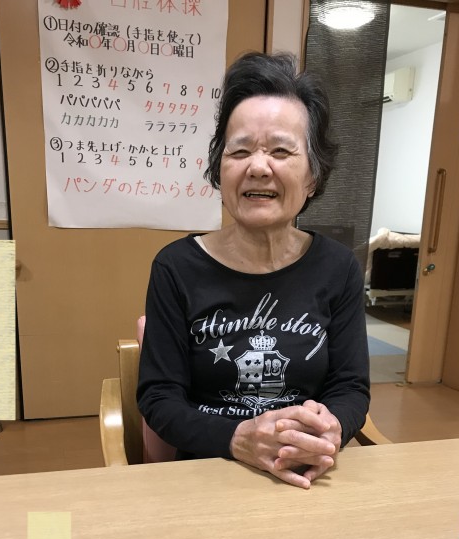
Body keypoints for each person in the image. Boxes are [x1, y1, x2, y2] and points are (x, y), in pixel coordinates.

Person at [137, 51, 370, 489]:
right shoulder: (176, 266)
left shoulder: (338, 267)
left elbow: (350, 386)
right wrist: (239, 438)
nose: (258, 167)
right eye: (240, 151)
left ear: (313, 176)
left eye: (281, 151)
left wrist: (331, 426)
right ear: (219, 169)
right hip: (208, 471)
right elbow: (159, 398)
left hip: (306, 473)